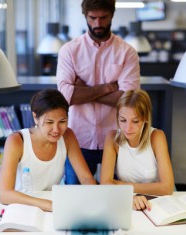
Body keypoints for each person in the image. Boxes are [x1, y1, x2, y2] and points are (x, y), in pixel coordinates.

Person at [57, 0, 140, 184]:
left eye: (103, 17)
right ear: (85, 16)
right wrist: (108, 88)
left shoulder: (127, 53)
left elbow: (129, 100)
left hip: (118, 138)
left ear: (112, 15)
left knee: (119, 197)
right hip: (78, 140)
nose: (98, 24)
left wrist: (82, 90)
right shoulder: (69, 51)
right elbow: (64, 96)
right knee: (75, 198)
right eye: (92, 18)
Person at [0, 89, 96, 212]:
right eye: (49, 122)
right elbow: (4, 194)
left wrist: (95, 198)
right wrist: (48, 205)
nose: (56, 130)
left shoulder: (67, 136)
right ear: (35, 117)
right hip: (20, 207)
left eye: (62, 122)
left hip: (52, 206)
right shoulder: (17, 141)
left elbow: (86, 178)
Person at [100, 89, 175, 210]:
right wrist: (130, 194)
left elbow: (167, 188)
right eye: (123, 120)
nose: (127, 128)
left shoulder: (157, 137)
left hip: (158, 201)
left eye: (135, 121)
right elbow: (105, 184)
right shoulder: (112, 138)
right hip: (129, 200)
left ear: (145, 118)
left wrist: (120, 185)